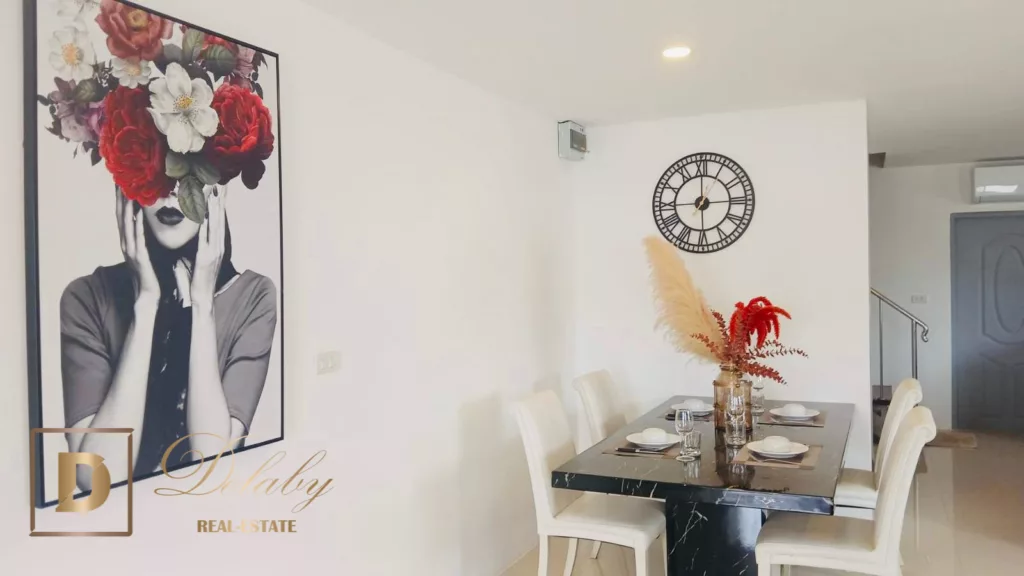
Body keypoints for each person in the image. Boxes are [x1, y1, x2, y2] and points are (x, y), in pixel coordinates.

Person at [60, 185, 277, 489]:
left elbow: (212, 464)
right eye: (155, 171)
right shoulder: (87, 297)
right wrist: (146, 305)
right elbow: (96, 478)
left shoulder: (254, 296)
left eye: (189, 172)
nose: (172, 191)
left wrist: (202, 306)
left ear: (217, 190)